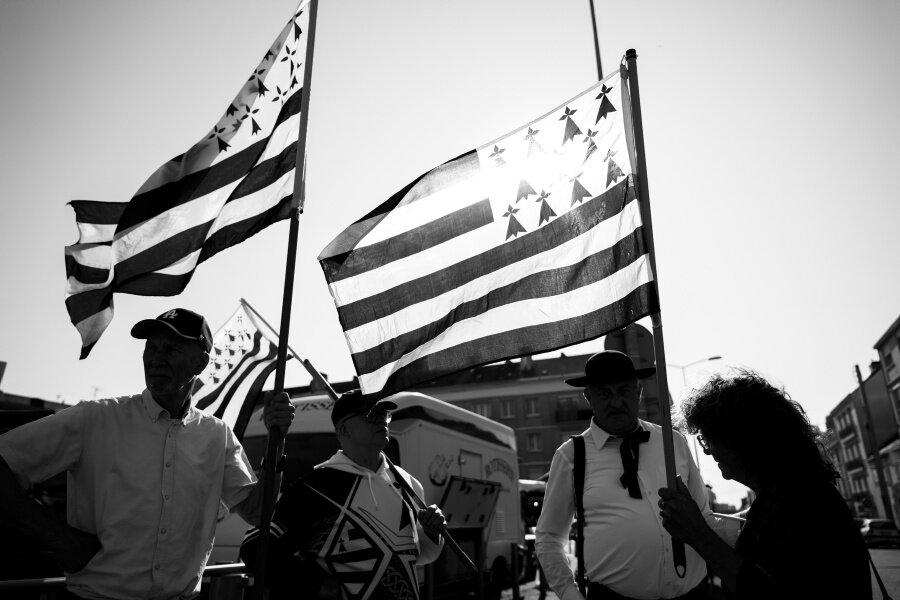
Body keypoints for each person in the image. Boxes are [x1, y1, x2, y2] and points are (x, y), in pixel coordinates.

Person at [0, 307, 295, 600]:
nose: (157, 357)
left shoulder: (218, 436)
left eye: (172, 348)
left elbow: (258, 513)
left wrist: (277, 441)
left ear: (201, 363)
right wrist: (58, 537)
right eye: (151, 347)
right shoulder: (95, 419)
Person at [535, 350, 735, 600]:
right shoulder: (570, 456)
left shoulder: (673, 442)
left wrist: (751, 528)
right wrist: (568, 593)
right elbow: (549, 537)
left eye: (624, 391)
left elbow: (703, 517)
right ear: (588, 396)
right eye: (604, 393)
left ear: (638, 392)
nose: (616, 402)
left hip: (694, 595)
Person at [657, 371, 871, 599]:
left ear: (740, 438)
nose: (707, 450)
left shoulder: (799, 501)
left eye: (708, 438)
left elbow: (767, 592)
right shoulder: (789, 493)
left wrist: (698, 535)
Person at [241, 388, 446, 599]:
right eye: (370, 415)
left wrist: (431, 533)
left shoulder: (409, 484)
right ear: (344, 430)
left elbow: (418, 555)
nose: (381, 420)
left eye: (385, 414)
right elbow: (254, 548)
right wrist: (320, 587)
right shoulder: (316, 487)